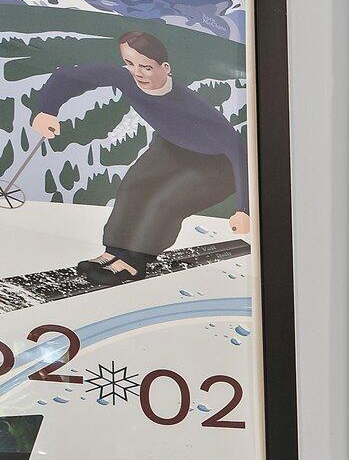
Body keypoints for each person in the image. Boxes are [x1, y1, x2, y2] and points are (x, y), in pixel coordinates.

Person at [28, 29, 250, 286]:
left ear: (165, 68)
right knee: (133, 186)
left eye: (146, 67)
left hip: (218, 165)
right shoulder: (126, 78)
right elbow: (68, 75)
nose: (137, 73)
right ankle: (113, 252)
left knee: (165, 202)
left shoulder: (193, 106)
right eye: (130, 63)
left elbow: (240, 154)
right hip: (172, 146)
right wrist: (46, 110)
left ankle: (134, 262)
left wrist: (243, 209)